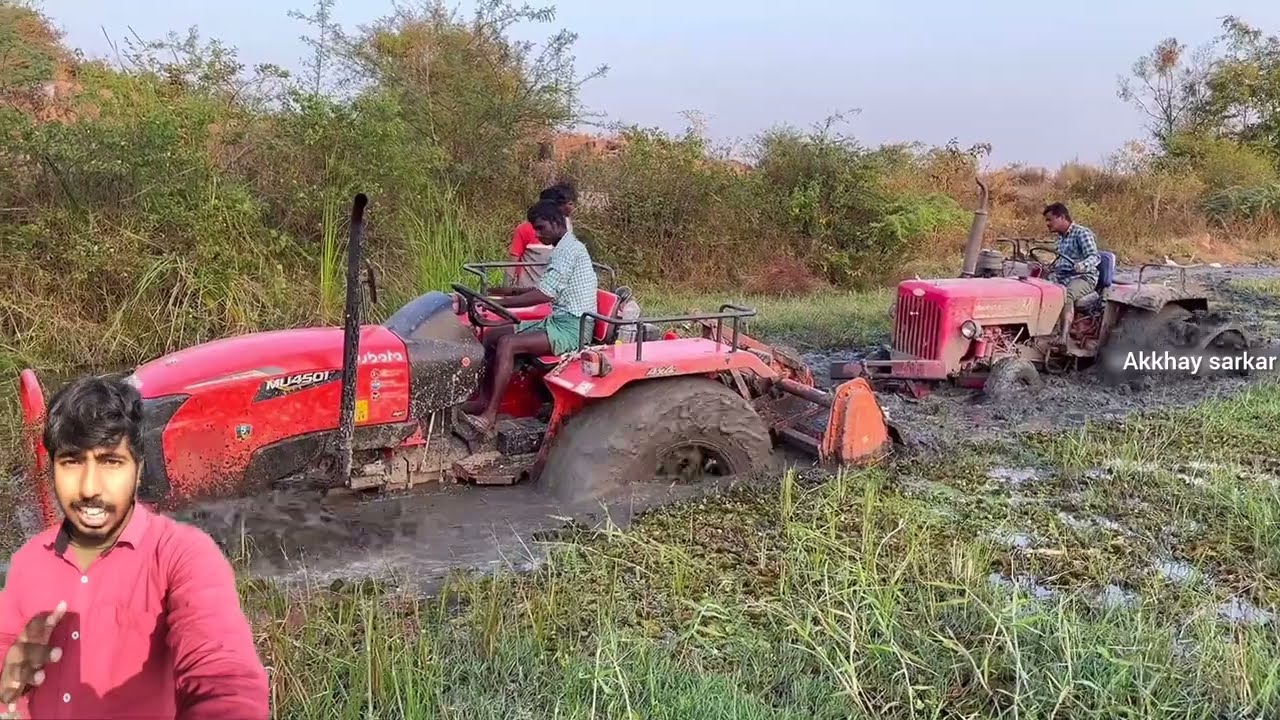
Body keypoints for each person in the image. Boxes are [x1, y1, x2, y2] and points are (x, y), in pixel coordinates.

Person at [0, 375, 269, 719]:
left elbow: (223, 673)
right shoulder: (29, 563)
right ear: (51, 469)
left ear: (139, 471)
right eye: (72, 462)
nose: (89, 488)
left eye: (111, 462)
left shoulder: (182, 556)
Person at [461, 199, 596, 436]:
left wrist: (498, 303)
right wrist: (501, 293)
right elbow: (542, 288)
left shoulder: (569, 251)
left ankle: (490, 415)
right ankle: (483, 398)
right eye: (535, 228)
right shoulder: (562, 249)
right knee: (493, 335)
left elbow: (543, 294)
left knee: (508, 343)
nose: (537, 234)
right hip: (557, 321)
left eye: (540, 228)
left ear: (556, 223)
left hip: (573, 328)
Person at [1043, 202, 1101, 344]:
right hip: (1063, 276)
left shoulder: (1082, 233)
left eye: (1050, 219)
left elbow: (1095, 257)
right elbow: (1060, 261)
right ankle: (1043, 329)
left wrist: (1081, 266)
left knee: (1066, 294)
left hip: (1083, 277)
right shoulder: (1061, 238)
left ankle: (1063, 337)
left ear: (1062, 217)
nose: (1047, 224)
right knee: (1041, 288)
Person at [503, 183, 578, 289]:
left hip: (553, 291)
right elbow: (512, 264)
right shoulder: (524, 229)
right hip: (528, 290)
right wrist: (505, 292)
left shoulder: (568, 230)